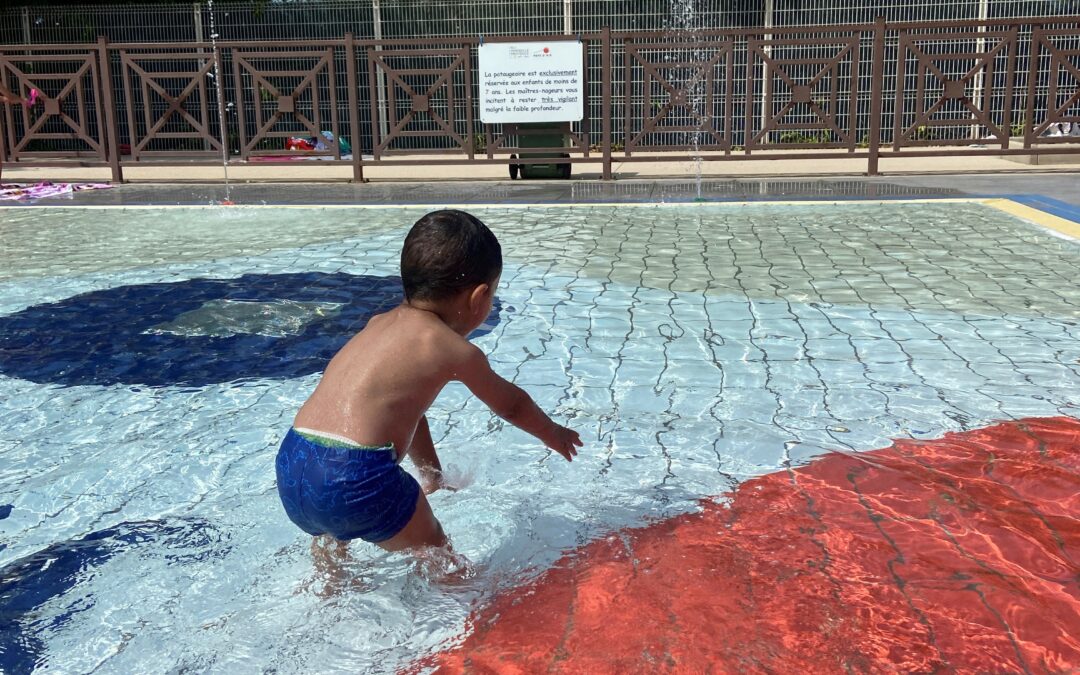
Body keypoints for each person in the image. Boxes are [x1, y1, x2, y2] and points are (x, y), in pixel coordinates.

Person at [275, 209, 582, 560]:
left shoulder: (378, 324)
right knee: (437, 553)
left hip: (294, 462)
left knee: (331, 533)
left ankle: (329, 589)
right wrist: (552, 433)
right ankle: (456, 602)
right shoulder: (451, 349)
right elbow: (510, 404)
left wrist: (430, 475)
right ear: (479, 298)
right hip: (357, 475)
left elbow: (409, 412)